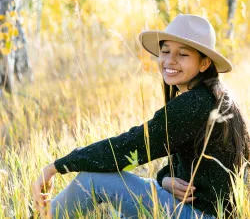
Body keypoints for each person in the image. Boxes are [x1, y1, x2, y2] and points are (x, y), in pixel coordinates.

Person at [32, 14, 249, 219]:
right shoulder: (215, 96)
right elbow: (179, 162)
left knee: (93, 180)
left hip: (200, 215)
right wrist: (164, 179)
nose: (170, 61)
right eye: (165, 52)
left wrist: (55, 167)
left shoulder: (196, 103)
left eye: (183, 54)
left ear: (204, 63)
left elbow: (131, 147)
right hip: (200, 210)